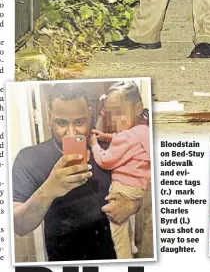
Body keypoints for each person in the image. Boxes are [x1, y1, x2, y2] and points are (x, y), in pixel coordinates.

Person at [12, 83, 141, 262]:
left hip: (111, 258)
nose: (71, 132)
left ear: (90, 115)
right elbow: (19, 225)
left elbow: (138, 185)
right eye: (62, 123)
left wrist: (133, 205)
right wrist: (49, 189)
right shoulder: (29, 158)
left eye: (79, 122)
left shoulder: (111, 150)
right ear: (49, 118)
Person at [90, 81, 151, 259]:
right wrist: (108, 136)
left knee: (117, 227)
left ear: (138, 108)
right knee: (125, 223)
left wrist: (94, 145)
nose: (115, 120)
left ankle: (124, 258)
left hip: (123, 187)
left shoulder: (125, 136)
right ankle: (131, 247)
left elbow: (106, 161)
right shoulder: (143, 130)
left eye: (120, 113)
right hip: (138, 188)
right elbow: (127, 140)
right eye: (111, 114)